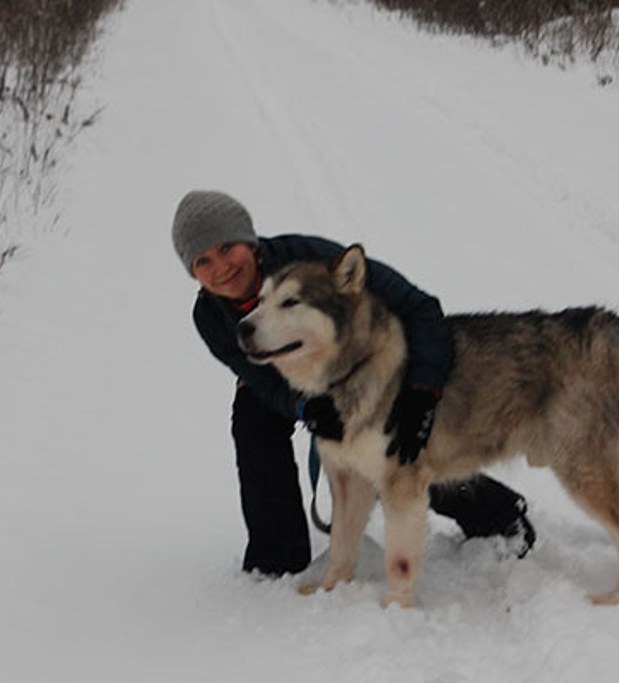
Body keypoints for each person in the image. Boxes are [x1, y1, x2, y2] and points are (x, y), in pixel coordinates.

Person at [173, 189, 536, 576]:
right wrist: (304, 407)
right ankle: (277, 557)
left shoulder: (310, 260)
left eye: (227, 248)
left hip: (367, 363)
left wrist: (422, 391)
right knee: (253, 421)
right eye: (203, 261)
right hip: (296, 375)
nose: (221, 267)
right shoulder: (210, 317)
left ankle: (496, 514)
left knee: (397, 440)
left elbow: (419, 308)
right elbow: (259, 381)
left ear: (249, 241)